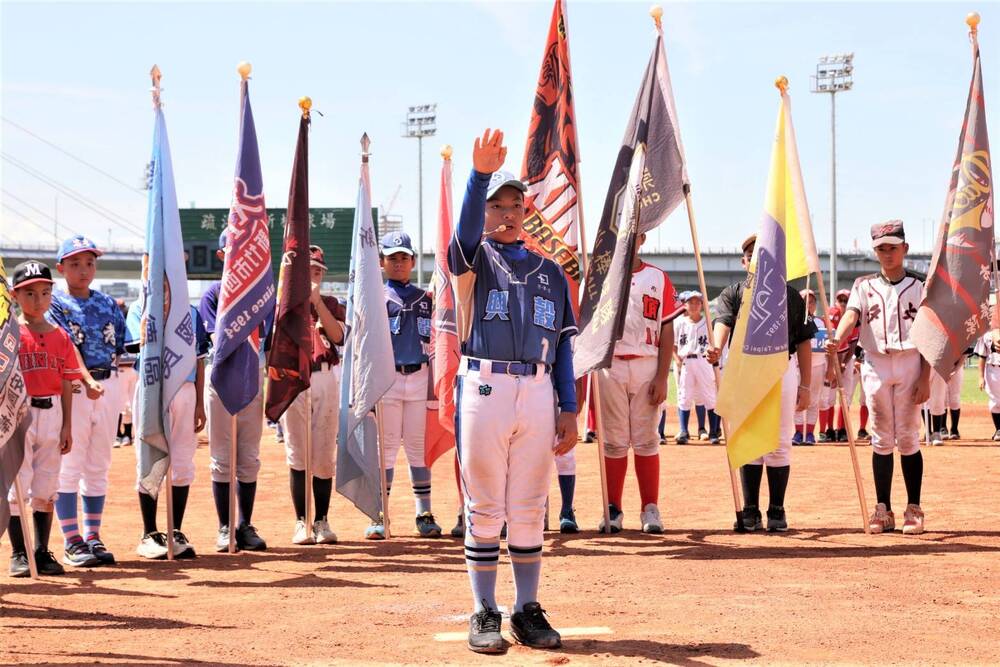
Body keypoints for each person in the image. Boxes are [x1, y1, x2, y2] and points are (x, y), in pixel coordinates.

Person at [449, 129, 577, 653]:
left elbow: (563, 344)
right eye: (496, 205)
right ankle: (485, 608)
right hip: (485, 385)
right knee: (485, 504)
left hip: (539, 390)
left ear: (527, 212)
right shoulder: (472, 261)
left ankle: (526, 607)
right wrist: (478, 176)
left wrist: (570, 406)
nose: (506, 213)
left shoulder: (550, 271)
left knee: (529, 504)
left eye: (515, 205)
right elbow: (462, 235)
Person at [827, 220, 930, 535]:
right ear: (875, 251)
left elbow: (929, 333)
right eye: (882, 248)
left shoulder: (920, 284)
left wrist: (926, 377)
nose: (887, 253)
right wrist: (838, 338)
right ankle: (883, 509)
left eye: (893, 247)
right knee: (881, 437)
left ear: (905, 248)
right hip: (875, 361)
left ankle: (914, 508)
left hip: (911, 360)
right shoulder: (863, 285)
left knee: (908, 436)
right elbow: (852, 315)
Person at [708, 233, 814, 532]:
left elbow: (804, 342)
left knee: (779, 440)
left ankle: (777, 509)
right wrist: (717, 347)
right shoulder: (733, 293)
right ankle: (750, 510)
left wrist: (806, 386)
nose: (757, 260)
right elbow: (723, 323)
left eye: (764, 255)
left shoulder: (790, 296)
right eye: (751, 256)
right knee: (748, 438)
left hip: (782, 369)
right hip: (744, 369)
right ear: (744, 262)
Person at [595, 232, 680, 535]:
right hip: (610, 364)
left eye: (633, 236)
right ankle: (613, 508)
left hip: (647, 363)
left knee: (646, 439)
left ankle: (650, 507)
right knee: (614, 441)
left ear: (642, 238)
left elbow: (667, 329)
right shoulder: (601, 275)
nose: (627, 241)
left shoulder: (658, 277)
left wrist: (662, 375)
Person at [48, 236, 124, 566]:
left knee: (98, 464)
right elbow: (67, 348)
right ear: (61, 268)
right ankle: (71, 539)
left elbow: (120, 346)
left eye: (90, 263)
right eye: (76, 264)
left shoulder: (107, 302)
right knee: (70, 464)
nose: (84, 270)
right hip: (75, 389)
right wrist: (86, 379)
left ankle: (93, 537)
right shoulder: (55, 303)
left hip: (108, 384)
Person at [8, 260, 84, 576]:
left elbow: (66, 381)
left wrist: (67, 425)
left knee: (47, 483)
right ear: (14, 296)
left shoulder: (60, 336)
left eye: (44, 292)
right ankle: (19, 553)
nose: (38, 300)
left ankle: (40, 551)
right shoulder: (9, 334)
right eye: (29, 293)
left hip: (52, 411)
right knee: (17, 483)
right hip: (20, 413)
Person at [200, 231, 272, 552]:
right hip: (222, 374)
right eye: (232, 250)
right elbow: (216, 337)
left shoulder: (262, 292)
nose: (239, 255)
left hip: (252, 372)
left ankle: (245, 523)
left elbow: (268, 336)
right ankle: (224, 526)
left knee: (249, 455)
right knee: (221, 456)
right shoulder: (214, 293)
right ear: (221, 255)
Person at [370, 231, 441, 540]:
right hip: (388, 378)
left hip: (419, 376)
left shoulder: (427, 299)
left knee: (416, 448)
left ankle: (424, 512)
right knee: (385, 448)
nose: (398, 263)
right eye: (392, 258)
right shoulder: (376, 298)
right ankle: (379, 513)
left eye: (404, 257)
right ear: (381, 262)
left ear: (413, 261)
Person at [125, 299, 209, 559]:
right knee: (149, 459)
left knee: (183, 462)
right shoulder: (139, 307)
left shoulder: (191, 311)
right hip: (152, 387)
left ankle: (176, 531)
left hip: (186, 389)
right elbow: (136, 346)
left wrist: (199, 403)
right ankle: (149, 533)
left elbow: (200, 359)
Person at [279, 245, 345, 545]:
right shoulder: (285, 305)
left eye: (318, 271)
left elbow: (338, 336)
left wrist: (317, 302)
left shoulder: (330, 303)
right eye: (308, 271)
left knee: (323, 454)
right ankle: (301, 521)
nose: (314, 276)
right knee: (298, 452)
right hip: (295, 378)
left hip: (324, 376)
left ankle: (321, 520)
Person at [674, 291, 720, 445]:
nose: (694, 305)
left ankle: (713, 432)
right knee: (684, 395)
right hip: (687, 361)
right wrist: (677, 359)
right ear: (685, 305)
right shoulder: (679, 322)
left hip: (703, 360)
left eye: (697, 302)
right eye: (690, 302)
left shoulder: (708, 323)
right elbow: (673, 344)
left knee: (710, 396)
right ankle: (683, 431)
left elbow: (714, 343)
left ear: (702, 305)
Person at [793, 289, 828, 446]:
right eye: (805, 301)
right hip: (798, 365)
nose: (808, 304)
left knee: (814, 400)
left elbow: (828, 344)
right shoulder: (794, 320)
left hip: (818, 365)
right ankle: (798, 432)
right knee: (797, 399)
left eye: (812, 301)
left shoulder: (821, 322)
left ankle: (809, 433)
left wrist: (830, 369)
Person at [114, 298, 138, 449]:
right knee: (119, 404)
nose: (122, 310)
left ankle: (128, 434)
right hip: (119, 370)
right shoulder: (113, 325)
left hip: (133, 369)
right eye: (119, 307)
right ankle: (117, 434)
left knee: (131, 404)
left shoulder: (132, 324)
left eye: (123, 307)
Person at [975, 330, 1000, 441]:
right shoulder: (986, 334)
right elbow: (982, 356)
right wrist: (981, 377)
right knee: (995, 401)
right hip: (992, 369)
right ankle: (999, 429)